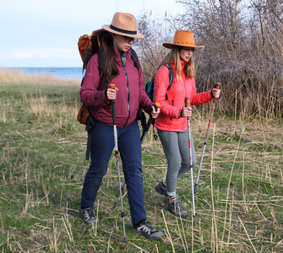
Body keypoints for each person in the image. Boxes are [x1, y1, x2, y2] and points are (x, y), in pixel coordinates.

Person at [79, 12, 163, 240]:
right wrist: (104, 96)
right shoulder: (99, 60)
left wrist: (149, 107)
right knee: (99, 169)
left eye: (133, 38)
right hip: (105, 124)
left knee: (134, 172)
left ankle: (140, 221)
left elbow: (138, 93)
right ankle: (86, 207)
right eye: (126, 37)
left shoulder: (134, 59)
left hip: (129, 126)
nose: (130, 42)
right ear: (114, 35)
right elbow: (85, 95)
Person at [152, 30, 221, 218]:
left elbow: (194, 98)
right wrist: (178, 111)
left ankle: (165, 186)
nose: (189, 53)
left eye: (191, 49)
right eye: (186, 49)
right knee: (174, 162)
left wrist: (209, 94)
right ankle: (172, 201)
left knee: (189, 162)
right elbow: (158, 101)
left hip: (183, 124)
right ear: (177, 49)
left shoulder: (188, 73)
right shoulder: (164, 72)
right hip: (166, 124)